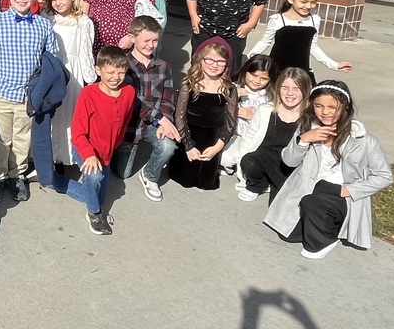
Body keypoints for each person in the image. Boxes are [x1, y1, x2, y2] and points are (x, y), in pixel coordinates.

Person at [264, 81, 393, 259]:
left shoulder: (362, 138)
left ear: (345, 107)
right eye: (319, 106)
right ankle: (323, 222)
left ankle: (327, 239)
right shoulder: (307, 127)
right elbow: (289, 161)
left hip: (339, 194)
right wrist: (304, 139)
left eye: (332, 107)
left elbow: (384, 176)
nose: (325, 112)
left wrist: (348, 190)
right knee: (289, 235)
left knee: (313, 210)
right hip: (309, 188)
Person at [0, 0, 59, 203]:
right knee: (0, 141)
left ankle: (17, 175)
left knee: (22, 139)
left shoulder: (43, 26)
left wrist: (42, 92)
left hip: (28, 97)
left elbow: (51, 60)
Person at [62, 46, 136, 235]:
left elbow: (125, 120)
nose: (115, 77)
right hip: (85, 148)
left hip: (107, 151)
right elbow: (78, 132)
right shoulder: (88, 94)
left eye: (121, 72)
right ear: (98, 70)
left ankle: (55, 181)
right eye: (110, 72)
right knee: (94, 178)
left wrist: (115, 144)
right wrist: (89, 155)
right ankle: (94, 214)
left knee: (97, 195)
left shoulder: (129, 92)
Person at [110, 16, 177, 202]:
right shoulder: (123, 66)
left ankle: (150, 175)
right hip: (128, 128)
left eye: (155, 40)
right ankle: (116, 149)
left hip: (152, 124)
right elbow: (132, 100)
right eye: (146, 40)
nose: (151, 45)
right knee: (122, 173)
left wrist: (164, 121)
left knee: (168, 146)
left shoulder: (163, 67)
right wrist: (159, 118)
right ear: (132, 38)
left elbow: (168, 98)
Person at [248, 0, 353, 84]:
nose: (308, 6)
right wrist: (252, 55)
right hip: (278, 71)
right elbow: (265, 41)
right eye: (303, 2)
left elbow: (313, 47)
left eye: (313, 2)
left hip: (301, 72)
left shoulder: (314, 20)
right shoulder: (278, 19)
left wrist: (334, 65)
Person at [225, 68, 312, 203]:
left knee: (280, 205)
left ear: (306, 90)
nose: (290, 93)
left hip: (289, 164)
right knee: (249, 162)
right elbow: (249, 138)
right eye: (285, 88)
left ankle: (276, 184)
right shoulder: (265, 110)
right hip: (263, 158)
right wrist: (241, 169)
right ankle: (257, 184)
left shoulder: (310, 118)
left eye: (296, 89)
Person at [168, 37, 239, 191]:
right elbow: (179, 117)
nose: (214, 65)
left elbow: (231, 120)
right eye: (209, 60)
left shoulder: (229, 88)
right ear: (200, 60)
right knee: (186, 177)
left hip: (214, 138)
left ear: (227, 64)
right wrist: (188, 145)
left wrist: (218, 146)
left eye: (220, 61)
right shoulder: (189, 85)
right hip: (189, 135)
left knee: (206, 179)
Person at [47, 0, 96, 166]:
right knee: (53, 113)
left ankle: (66, 156)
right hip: (52, 71)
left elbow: (85, 52)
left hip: (73, 73)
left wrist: (90, 79)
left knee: (69, 113)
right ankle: (50, 156)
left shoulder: (83, 21)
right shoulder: (47, 18)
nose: (57, 3)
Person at [221, 54, 274, 176]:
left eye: (263, 78)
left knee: (248, 162)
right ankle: (230, 166)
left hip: (255, 140)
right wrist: (232, 98)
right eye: (253, 75)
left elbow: (272, 123)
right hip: (233, 135)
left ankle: (240, 166)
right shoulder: (234, 88)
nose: (257, 81)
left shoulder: (270, 97)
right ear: (245, 71)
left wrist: (253, 117)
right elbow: (216, 109)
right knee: (224, 158)